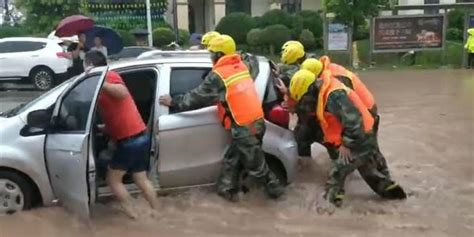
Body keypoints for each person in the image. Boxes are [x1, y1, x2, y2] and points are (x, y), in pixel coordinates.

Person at [159, 35, 285, 201]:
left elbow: (196, 98)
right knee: (231, 160)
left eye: (212, 53)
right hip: (256, 122)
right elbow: (252, 59)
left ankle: (280, 196)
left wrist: (173, 101)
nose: (210, 56)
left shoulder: (218, 75)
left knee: (258, 169)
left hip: (245, 127)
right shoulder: (241, 64)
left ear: (219, 55)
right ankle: (225, 190)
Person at [289, 69, 406, 213]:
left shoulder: (334, 95)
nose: (305, 101)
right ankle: (394, 196)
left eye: (304, 98)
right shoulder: (323, 91)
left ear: (309, 90)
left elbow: (354, 121)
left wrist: (347, 144)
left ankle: (329, 208)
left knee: (338, 172)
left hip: (360, 137)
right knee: (367, 170)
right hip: (362, 134)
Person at [84, 51, 158, 219]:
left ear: (90, 64)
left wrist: (100, 80)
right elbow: (117, 111)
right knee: (140, 178)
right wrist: (106, 129)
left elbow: (122, 93)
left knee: (113, 180)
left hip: (130, 140)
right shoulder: (102, 81)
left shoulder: (109, 76)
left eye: (85, 64)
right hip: (139, 135)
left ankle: (134, 215)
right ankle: (156, 212)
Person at [301, 57, 390, 177]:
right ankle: (369, 172)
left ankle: (383, 173)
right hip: (361, 109)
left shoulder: (335, 82)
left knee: (370, 147)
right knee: (362, 147)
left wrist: (347, 142)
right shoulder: (327, 71)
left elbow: (350, 111)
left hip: (366, 111)